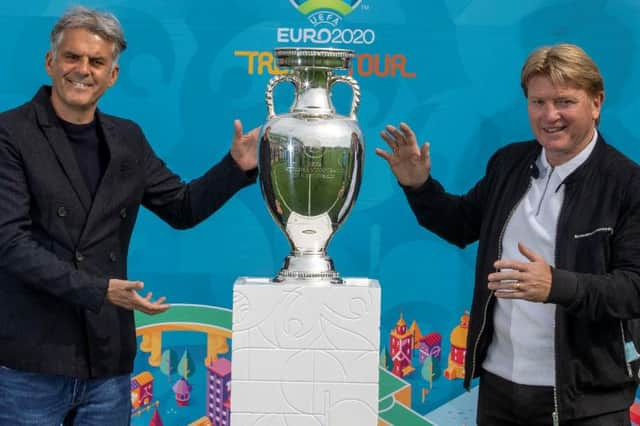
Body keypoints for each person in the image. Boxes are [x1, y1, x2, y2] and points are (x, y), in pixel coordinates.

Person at [0, 6, 259, 425]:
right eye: (72, 57)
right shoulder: (9, 134)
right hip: (30, 361)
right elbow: (9, 245)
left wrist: (235, 168)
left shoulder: (128, 138)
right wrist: (99, 289)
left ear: (113, 75)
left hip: (106, 363)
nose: (82, 70)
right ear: (50, 62)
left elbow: (182, 207)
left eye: (97, 62)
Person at [377, 43, 640, 425]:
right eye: (538, 102)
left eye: (565, 101)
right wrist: (419, 187)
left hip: (585, 400)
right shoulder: (509, 163)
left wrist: (556, 285)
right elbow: (461, 224)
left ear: (596, 103)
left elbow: (633, 288)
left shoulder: (628, 185)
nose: (550, 115)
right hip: (500, 391)